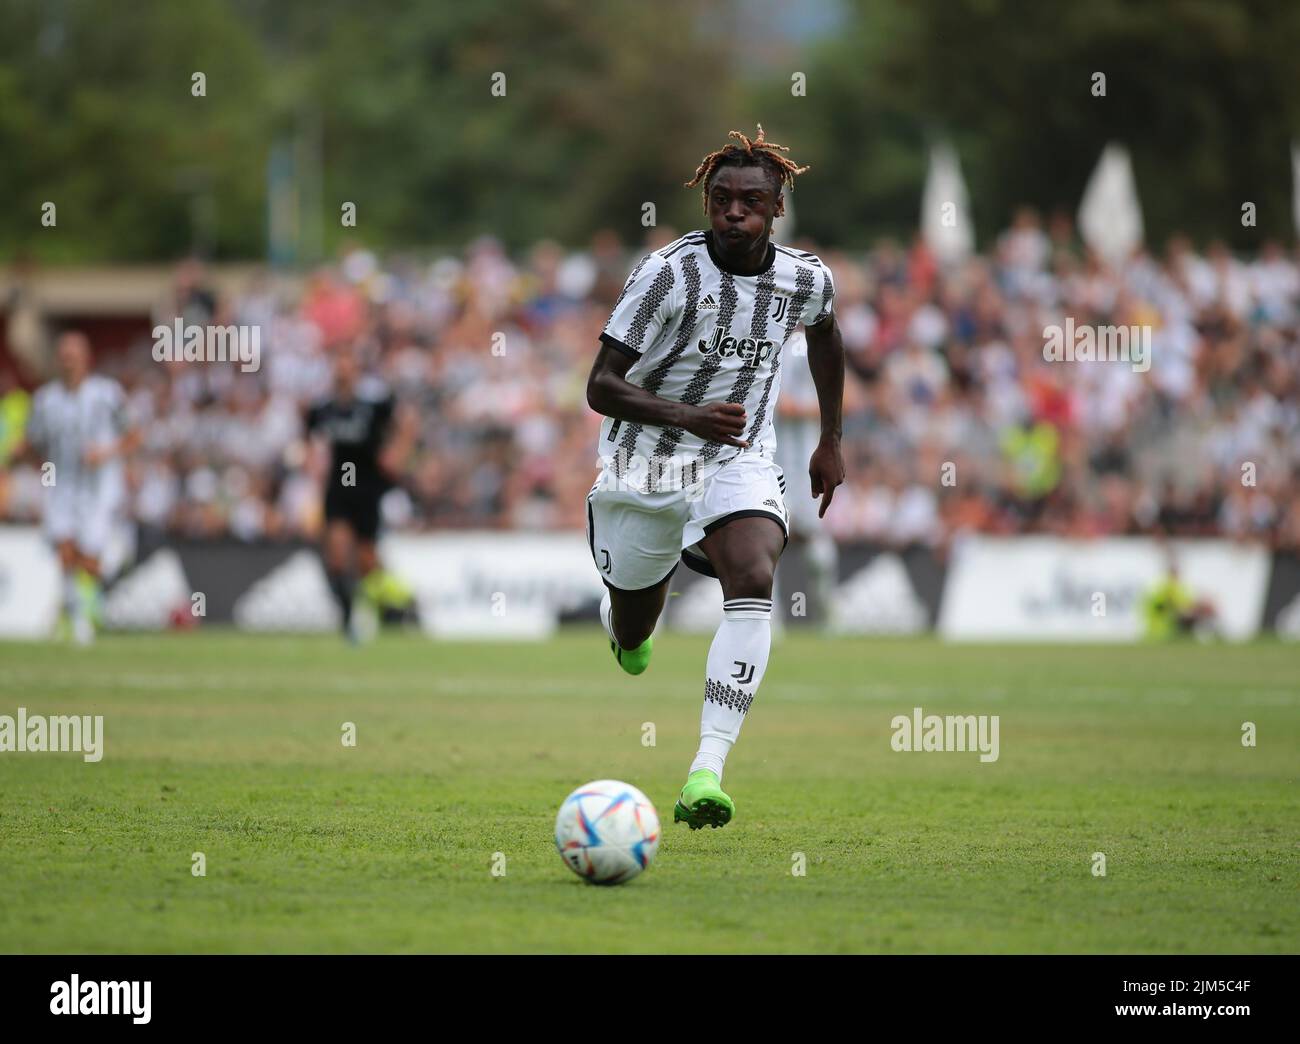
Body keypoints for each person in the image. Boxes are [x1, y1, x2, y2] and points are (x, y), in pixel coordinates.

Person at [585, 125, 845, 830]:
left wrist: (830, 439)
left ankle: (708, 768)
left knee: (756, 573)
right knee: (638, 622)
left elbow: (825, 333)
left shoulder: (805, 278)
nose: (735, 212)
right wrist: (686, 414)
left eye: (750, 201)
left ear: (776, 207)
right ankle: (628, 626)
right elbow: (601, 386)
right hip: (646, 460)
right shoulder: (666, 273)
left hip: (739, 457)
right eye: (722, 199)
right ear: (707, 203)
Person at [21, 331, 139, 643]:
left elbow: (133, 435)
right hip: (61, 483)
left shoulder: (107, 394)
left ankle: (113, 566)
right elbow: (35, 442)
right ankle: (78, 619)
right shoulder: (46, 399)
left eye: (73, 356)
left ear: (87, 358)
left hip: (100, 487)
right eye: (63, 356)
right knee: (65, 550)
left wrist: (106, 453)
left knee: (90, 556)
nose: (68, 362)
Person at [306, 349, 417, 641]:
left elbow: (407, 422)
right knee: (338, 555)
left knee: (368, 559)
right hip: (340, 486)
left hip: (368, 485)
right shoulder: (324, 407)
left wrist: (397, 455)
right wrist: (313, 467)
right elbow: (310, 439)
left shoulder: (373, 402)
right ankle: (349, 622)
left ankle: (400, 605)